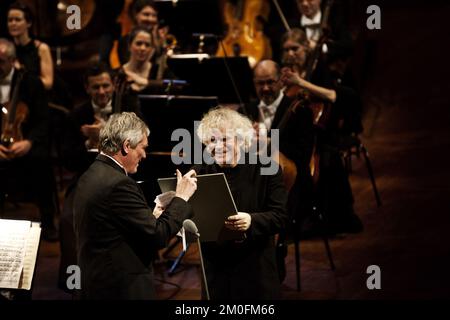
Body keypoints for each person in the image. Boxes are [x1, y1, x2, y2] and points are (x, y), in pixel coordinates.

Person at [73, 112, 197, 299]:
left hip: (95, 281)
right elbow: (158, 236)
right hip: (118, 288)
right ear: (126, 146)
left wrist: (150, 217)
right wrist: (181, 198)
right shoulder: (119, 184)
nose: (145, 155)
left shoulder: (92, 173)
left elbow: (115, 227)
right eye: (143, 148)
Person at [193, 107, 288, 299]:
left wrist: (251, 220)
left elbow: (281, 217)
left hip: (255, 267)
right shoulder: (199, 172)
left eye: (225, 139)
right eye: (212, 140)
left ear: (241, 139)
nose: (218, 146)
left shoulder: (267, 169)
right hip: (216, 269)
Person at [280, 28, 363, 235]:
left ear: (306, 48)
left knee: (327, 160)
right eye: (286, 49)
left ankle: (323, 217)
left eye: (295, 48)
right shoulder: (284, 72)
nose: (291, 53)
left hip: (322, 134)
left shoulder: (317, 70)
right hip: (292, 134)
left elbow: (332, 96)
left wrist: (300, 83)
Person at [0, 38, 58, 241]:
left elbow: (43, 119)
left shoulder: (30, 82)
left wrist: (29, 142)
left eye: (1, 62)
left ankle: (48, 221)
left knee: (41, 160)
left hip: (25, 140)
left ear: (12, 60)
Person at [7, 1, 53, 90]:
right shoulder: (6, 48)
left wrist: (22, 72)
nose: (13, 23)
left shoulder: (41, 48)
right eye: (10, 20)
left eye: (17, 20)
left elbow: (48, 83)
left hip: (34, 98)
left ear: (28, 23)